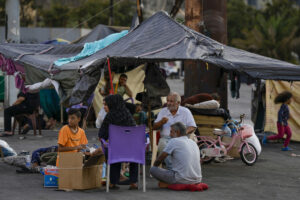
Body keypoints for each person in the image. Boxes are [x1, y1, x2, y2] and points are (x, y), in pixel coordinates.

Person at [98, 94, 138, 190]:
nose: (104, 107)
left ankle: (112, 182)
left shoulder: (110, 116)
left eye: (106, 104)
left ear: (112, 104)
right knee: (133, 154)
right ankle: (133, 182)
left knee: (113, 150)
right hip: (132, 151)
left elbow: (102, 135)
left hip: (116, 152)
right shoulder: (127, 114)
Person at [153, 91, 196, 169]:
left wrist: (182, 134)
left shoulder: (185, 111)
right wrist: (161, 122)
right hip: (166, 139)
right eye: (168, 101)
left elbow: (192, 127)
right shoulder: (163, 112)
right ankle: (172, 168)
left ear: (178, 102)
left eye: (171, 101)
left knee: (184, 146)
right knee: (162, 144)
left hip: (182, 138)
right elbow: (154, 127)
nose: (168, 103)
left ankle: (177, 169)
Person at [150, 122, 202, 186]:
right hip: (197, 179)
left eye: (171, 132)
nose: (169, 134)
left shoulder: (174, 141)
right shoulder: (193, 142)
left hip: (181, 179)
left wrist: (155, 167)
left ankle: (169, 183)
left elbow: (160, 159)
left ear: (177, 132)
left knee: (152, 169)